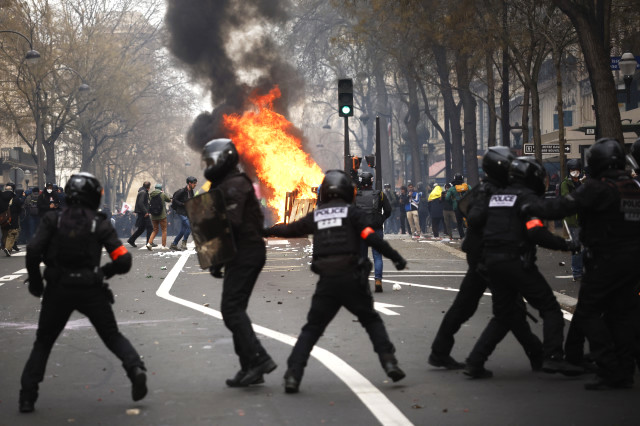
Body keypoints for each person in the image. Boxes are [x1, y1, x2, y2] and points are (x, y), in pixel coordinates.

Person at [264, 169, 407, 393]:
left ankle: (293, 374)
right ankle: (390, 363)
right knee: (371, 321)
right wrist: (396, 258)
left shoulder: (317, 215)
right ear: (347, 192)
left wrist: (265, 230)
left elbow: (290, 229)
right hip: (352, 278)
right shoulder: (352, 213)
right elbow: (371, 238)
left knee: (312, 329)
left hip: (327, 282)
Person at [19, 172, 146, 413]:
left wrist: (36, 282)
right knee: (112, 336)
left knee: (43, 343)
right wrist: (104, 272)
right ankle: (135, 368)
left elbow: (33, 250)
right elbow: (124, 259)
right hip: (90, 288)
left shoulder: (53, 220)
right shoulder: (99, 222)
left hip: (58, 288)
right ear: (93, 196)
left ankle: (27, 396)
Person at [524, 138, 640, 390]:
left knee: (588, 312)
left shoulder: (598, 187)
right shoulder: (631, 186)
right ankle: (623, 370)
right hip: (632, 261)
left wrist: (529, 204)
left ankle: (608, 366)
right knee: (623, 315)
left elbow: (562, 206)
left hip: (606, 258)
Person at [463, 156, 582, 378]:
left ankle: (474, 361)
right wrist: (566, 244)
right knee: (549, 307)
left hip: (491, 262)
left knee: (503, 314)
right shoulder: (526, 198)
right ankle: (553, 357)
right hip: (516, 261)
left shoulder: (496, 196)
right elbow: (536, 231)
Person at [429, 147, 542, 372]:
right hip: (489, 254)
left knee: (466, 306)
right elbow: (475, 217)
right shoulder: (493, 192)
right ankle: (537, 355)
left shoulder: (483, 189)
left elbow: (465, 210)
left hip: (479, 254)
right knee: (511, 308)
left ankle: (440, 351)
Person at [202, 138, 277, 387]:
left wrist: (212, 242)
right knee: (234, 310)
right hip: (240, 252)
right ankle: (249, 367)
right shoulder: (227, 183)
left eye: (211, 161)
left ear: (223, 160)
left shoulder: (234, 185)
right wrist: (216, 259)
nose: (209, 165)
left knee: (231, 310)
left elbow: (230, 222)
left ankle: (259, 358)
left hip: (247, 251)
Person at [354, 172, 392, 293]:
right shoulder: (379, 194)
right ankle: (378, 281)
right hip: (376, 228)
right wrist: (381, 219)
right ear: (371, 181)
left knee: (362, 257)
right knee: (377, 256)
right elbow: (388, 210)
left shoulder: (355, 195)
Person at [561, 159, 584, 281]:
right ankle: (577, 273)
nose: (575, 172)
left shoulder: (582, 182)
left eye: (577, 170)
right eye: (572, 170)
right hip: (572, 220)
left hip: (584, 219)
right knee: (576, 246)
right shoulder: (566, 184)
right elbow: (567, 198)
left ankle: (583, 269)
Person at [170, 176, 197, 251]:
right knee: (189, 226)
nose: (195, 185)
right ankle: (184, 243)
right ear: (189, 183)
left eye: (195, 184)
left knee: (183, 229)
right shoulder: (182, 191)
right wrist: (182, 204)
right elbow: (174, 200)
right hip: (181, 212)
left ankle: (174, 244)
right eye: (194, 184)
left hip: (187, 212)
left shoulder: (191, 191)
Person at [1, 183, 25, 256]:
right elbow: (19, 207)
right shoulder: (15, 197)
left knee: (5, 233)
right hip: (13, 218)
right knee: (12, 233)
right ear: (12, 190)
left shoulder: (1, 197)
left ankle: (4, 245)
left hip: (3, 219)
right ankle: (8, 248)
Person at [146, 184, 172, 250]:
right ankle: (163, 246)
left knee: (155, 230)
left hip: (154, 216)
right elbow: (169, 200)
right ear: (161, 188)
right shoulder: (162, 194)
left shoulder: (151, 195)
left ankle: (149, 243)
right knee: (164, 230)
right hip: (162, 215)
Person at [127, 182, 152, 248]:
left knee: (141, 228)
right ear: (149, 187)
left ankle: (131, 240)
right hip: (143, 213)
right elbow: (140, 203)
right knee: (150, 227)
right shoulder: (143, 192)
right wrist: (145, 212)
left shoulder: (142, 192)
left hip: (142, 212)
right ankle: (149, 243)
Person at [445, 174, 470, 239]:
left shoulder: (452, 188)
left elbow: (447, 198)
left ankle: (462, 236)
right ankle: (469, 235)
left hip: (457, 207)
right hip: (466, 206)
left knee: (459, 223)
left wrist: (452, 203)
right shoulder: (467, 186)